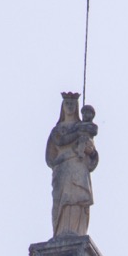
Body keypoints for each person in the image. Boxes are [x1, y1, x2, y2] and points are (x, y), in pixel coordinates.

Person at [46, 93, 98, 237]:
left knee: (78, 200)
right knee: (62, 200)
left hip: (79, 167)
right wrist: (78, 132)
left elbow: (92, 155)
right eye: (67, 103)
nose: (69, 107)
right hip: (63, 168)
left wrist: (91, 152)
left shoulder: (84, 129)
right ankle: (61, 232)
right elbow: (60, 142)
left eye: (72, 104)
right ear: (62, 107)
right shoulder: (59, 130)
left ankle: (77, 231)